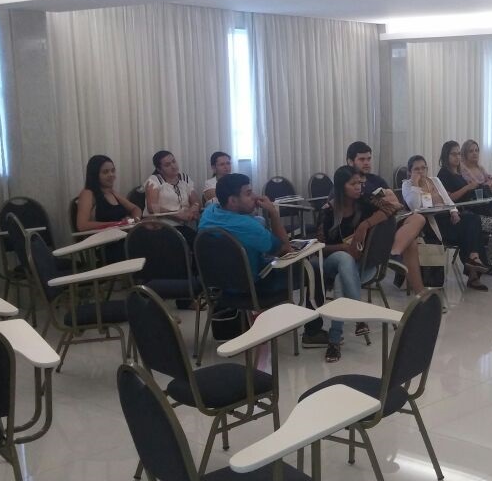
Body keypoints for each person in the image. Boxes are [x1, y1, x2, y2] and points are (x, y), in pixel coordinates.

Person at [198, 173, 327, 345]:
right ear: (233, 201)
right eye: (248, 193)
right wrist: (273, 212)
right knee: (312, 268)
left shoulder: (209, 213)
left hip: (219, 289)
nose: (255, 196)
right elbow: (285, 249)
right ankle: (313, 333)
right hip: (252, 289)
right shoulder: (249, 227)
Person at [315, 166, 399, 362]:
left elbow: (393, 208)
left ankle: (334, 341)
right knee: (344, 260)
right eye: (353, 184)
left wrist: (364, 225)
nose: (358, 187)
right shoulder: (327, 211)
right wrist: (344, 248)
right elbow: (319, 248)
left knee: (340, 282)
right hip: (332, 261)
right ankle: (359, 316)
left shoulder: (365, 202)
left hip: (363, 266)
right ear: (340, 187)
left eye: (360, 183)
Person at [346, 141, 426, 293]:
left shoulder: (376, 180)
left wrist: (386, 202)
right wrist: (384, 202)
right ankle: (420, 293)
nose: (367, 163)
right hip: (368, 232)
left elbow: (396, 204)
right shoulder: (348, 182)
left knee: (418, 218)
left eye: (369, 159)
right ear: (350, 162)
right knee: (411, 244)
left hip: (389, 222)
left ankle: (394, 253)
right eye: (362, 159)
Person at [402, 154, 490, 291]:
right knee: (468, 233)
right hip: (430, 223)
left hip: (446, 216)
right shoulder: (407, 185)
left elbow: (447, 200)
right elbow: (415, 206)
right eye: (416, 169)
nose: (421, 172)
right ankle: (473, 274)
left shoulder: (434, 180)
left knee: (473, 219)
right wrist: (415, 184)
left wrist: (453, 211)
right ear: (409, 172)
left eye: (423, 168)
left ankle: (474, 257)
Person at [437, 140, 492, 274]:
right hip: (460, 216)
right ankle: (489, 262)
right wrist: (468, 187)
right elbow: (448, 198)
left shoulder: (458, 174)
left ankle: (488, 261)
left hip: (472, 211)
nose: (457, 157)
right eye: (453, 154)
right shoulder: (443, 174)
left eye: (458, 154)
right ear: (446, 155)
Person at [76, 154, 142, 262]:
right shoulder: (88, 194)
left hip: (123, 238)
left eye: (113, 171)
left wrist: (134, 220)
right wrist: (117, 224)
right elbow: (82, 225)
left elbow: (136, 209)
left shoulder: (112, 193)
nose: (111, 175)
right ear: (95, 175)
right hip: (106, 245)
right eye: (105, 172)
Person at [145, 150, 201, 242]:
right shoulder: (154, 180)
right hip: (163, 226)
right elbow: (152, 207)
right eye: (167, 165)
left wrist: (192, 210)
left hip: (184, 225)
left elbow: (196, 202)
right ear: (159, 169)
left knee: (200, 241)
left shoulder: (184, 178)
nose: (173, 166)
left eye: (174, 161)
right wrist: (177, 214)